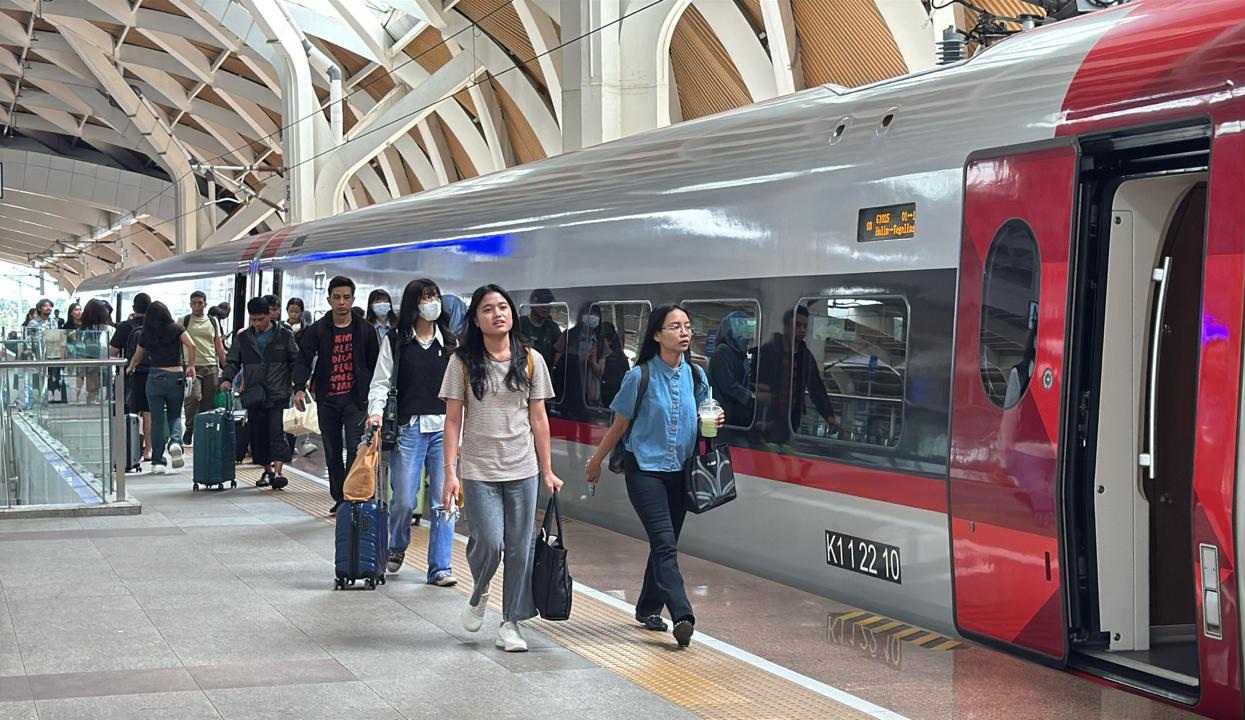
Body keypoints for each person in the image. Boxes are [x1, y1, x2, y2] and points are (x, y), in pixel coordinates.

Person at [583, 305, 723, 649]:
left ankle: (647, 608)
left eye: (688, 326)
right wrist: (595, 461)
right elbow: (619, 425)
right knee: (664, 544)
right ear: (657, 335)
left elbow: (708, 411)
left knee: (665, 544)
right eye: (675, 327)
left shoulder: (696, 376)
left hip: (682, 472)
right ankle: (682, 616)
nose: (684, 332)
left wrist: (715, 417)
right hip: (645, 471)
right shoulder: (639, 377)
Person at [440, 284, 562, 653]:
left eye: (504, 307)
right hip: (479, 470)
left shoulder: (531, 359)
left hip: (522, 468)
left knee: (520, 548)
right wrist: (450, 471)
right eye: (489, 309)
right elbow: (451, 420)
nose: (499, 314)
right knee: (489, 544)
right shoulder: (461, 363)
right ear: (476, 320)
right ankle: (479, 592)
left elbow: (539, 417)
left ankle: (510, 622)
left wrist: (548, 469)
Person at [367, 278, 458, 582]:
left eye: (434, 296)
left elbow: (461, 390)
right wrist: (376, 414)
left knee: (444, 499)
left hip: (444, 428)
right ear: (412, 304)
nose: (431, 302)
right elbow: (380, 382)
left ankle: (440, 567)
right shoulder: (396, 341)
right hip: (408, 427)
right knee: (405, 498)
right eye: (424, 297)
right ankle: (397, 543)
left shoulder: (449, 342)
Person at [293, 276, 378, 515]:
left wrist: (374, 396)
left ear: (353, 299)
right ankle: (339, 497)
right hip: (328, 400)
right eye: (337, 297)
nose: (342, 302)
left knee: (354, 448)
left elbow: (375, 363)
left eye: (346, 297)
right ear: (329, 299)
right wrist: (299, 386)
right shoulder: (318, 329)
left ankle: (351, 496)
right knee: (332, 449)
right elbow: (304, 358)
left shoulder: (365, 329)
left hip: (356, 399)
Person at [220, 297, 298, 490]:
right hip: (255, 393)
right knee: (258, 434)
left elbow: (295, 361)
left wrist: (299, 385)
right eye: (253, 320)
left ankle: (279, 472)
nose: (257, 324)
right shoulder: (244, 338)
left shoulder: (284, 335)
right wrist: (227, 378)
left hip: (278, 391)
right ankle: (268, 471)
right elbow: (232, 361)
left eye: (261, 319)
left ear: (270, 315)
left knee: (276, 431)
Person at [125, 301, 196, 475]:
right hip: (176, 376)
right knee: (174, 415)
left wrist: (129, 368)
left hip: (155, 377)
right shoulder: (177, 328)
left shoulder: (146, 333)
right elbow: (192, 345)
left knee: (156, 420)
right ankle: (175, 443)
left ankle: (158, 462)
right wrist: (191, 366)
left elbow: (137, 356)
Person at [755, 306, 837, 445]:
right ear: (787, 326)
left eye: (805, 326)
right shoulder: (769, 351)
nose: (802, 330)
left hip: (791, 420)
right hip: (766, 417)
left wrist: (828, 415)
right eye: (798, 325)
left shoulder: (805, 357)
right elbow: (754, 382)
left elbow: (816, 387)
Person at [110, 293, 153, 462]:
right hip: (152, 372)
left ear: (134, 308)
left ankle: (129, 449)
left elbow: (112, 352)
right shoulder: (155, 326)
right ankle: (148, 449)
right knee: (149, 412)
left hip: (130, 373)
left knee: (128, 410)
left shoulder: (124, 327)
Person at [180, 291, 227, 445]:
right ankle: (190, 427)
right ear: (190, 304)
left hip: (211, 366)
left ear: (205, 304)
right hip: (191, 367)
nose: (197, 306)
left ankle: (202, 431)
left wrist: (225, 365)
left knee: (207, 401)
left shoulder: (212, 321)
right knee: (194, 397)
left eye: (200, 303)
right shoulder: (184, 321)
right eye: (194, 303)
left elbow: (218, 345)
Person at [708, 311, 756, 431]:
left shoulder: (740, 353)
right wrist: (750, 396)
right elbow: (728, 385)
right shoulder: (721, 352)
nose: (747, 338)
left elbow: (743, 379)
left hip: (739, 415)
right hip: (725, 416)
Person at [76, 299, 113, 404]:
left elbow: (79, 347)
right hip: (106, 362)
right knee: (107, 388)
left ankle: (89, 401)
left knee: (91, 386)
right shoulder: (109, 329)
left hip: (87, 361)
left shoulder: (82, 330)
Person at [588, 322, 629, 407]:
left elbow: (599, 372)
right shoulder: (621, 355)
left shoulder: (603, 352)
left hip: (604, 392)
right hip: (619, 393)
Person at [520, 289, 560, 371]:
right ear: (532, 304)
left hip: (545, 373)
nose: (545, 307)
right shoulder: (520, 323)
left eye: (548, 304)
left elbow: (558, 355)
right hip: (522, 372)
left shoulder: (553, 327)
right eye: (542, 302)